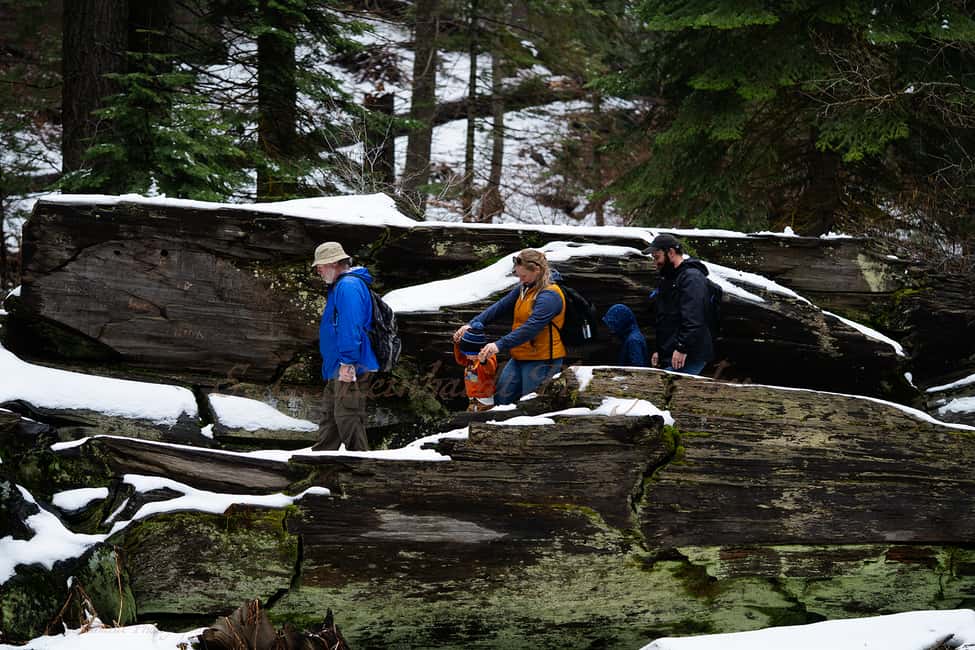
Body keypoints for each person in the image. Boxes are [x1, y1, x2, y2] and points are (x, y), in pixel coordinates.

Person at [452, 249, 566, 405]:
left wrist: (499, 345)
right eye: (518, 276)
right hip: (519, 355)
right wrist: (471, 324)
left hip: (543, 360)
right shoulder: (524, 288)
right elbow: (500, 307)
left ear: (537, 270)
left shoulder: (550, 295)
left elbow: (531, 328)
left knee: (532, 405)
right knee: (501, 400)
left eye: (523, 276)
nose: (520, 280)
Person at [310, 242, 378, 451]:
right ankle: (322, 464)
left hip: (351, 367)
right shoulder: (341, 286)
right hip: (338, 366)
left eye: (320, 265)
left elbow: (351, 325)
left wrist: (347, 363)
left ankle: (362, 467)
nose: (318, 270)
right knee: (330, 418)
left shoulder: (348, 286)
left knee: (348, 416)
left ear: (334, 263)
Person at [644, 233, 714, 375]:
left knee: (670, 392)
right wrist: (660, 351)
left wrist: (683, 348)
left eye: (657, 257)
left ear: (671, 252)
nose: (655, 263)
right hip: (672, 353)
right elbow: (665, 319)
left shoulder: (692, 278)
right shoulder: (669, 279)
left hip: (689, 355)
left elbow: (694, 318)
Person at [453, 322, 498, 412]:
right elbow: (460, 359)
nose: (466, 356)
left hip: (485, 403)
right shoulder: (470, 360)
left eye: (469, 354)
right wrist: (457, 344)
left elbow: (490, 369)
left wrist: (484, 360)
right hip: (472, 402)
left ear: (479, 351)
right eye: (465, 353)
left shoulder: (488, 357)